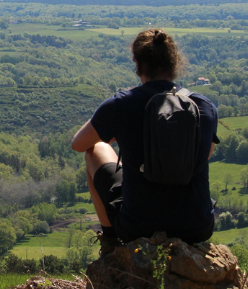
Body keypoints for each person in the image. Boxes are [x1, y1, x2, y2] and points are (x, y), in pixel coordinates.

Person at [72, 29, 219, 254]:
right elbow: (204, 155)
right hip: (196, 226)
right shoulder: (203, 106)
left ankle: (111, 242)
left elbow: (79, 144)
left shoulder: (121, 104)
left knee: (96, 149)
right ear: (174, 63)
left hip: (139, 225)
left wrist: (118, 132)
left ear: (137, 64)